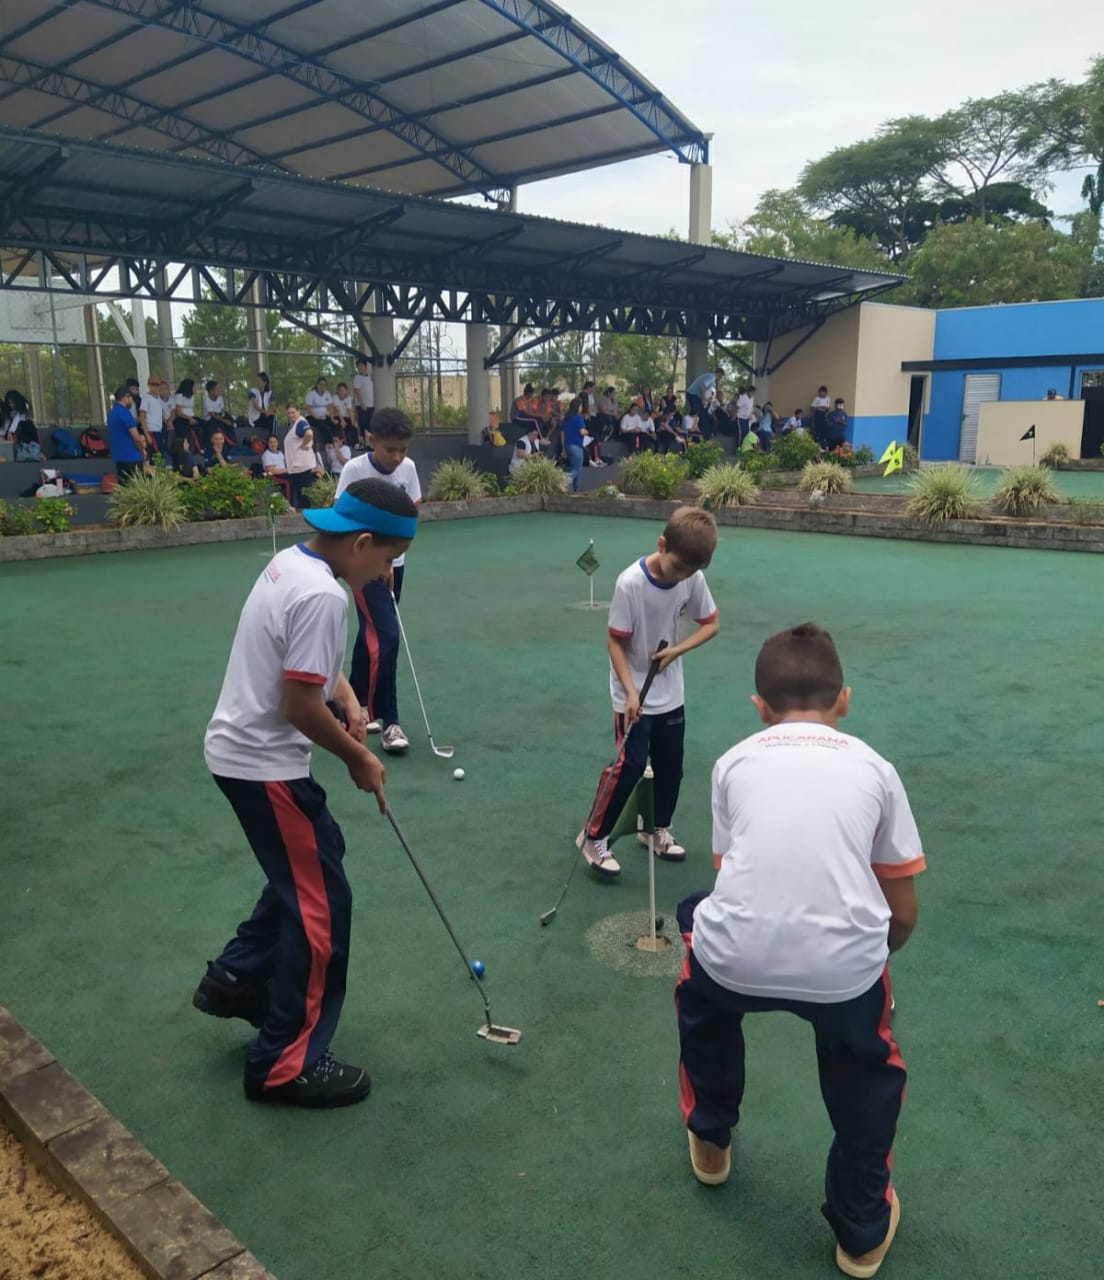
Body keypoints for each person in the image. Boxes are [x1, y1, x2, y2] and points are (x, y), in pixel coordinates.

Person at [675, 623, 923, 1278]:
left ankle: (710, 1136)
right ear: (845, 699)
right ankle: (861, 1231)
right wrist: (871, 957)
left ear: (760, 708)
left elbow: (733, 876)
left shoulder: (733, 761)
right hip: (844, 973)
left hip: (735, 958)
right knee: (867, 1073)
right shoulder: (876, 768)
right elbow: (903, 912)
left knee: (698, 956)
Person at [193, 477, 417, 1109]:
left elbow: (309, 668)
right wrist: (358, 757)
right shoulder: (327, 596)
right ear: (363, 543)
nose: (385, 575)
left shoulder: (294, 561)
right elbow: (298, 705)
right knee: (321, 908)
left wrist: (345, 696)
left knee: (312, 865)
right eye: (386, 562)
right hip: (263, 764)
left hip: (239, 755)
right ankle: (283, 1064)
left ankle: (236, 980)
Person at [577, 506, 720, 877]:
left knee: (671, 764)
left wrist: (676, 650)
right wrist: (629, 692)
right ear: (661, 544)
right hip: (632, 687)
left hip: (670, 689)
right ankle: (593, 836)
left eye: (691, 572)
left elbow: (711, 624)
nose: (683, 577)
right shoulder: (630, 584)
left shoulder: (691, 578)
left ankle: (654, 829)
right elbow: (615, 641)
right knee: (632, 764)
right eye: (678, 568)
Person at [334, 408, 421, 755]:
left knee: (369, 632)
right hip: (363, 568)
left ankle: (349, 703)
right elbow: (344, 518)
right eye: (389, 450)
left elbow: (411, 516)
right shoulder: (355, 470)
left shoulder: (408, 469)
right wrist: (377, 559)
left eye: (402, 449)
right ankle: (389, 721)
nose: (397, 457)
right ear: (371, 441)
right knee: (386, 636)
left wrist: (393, 558)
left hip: (396, 567)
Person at [283, 402, 324, 509]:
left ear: (298, 411)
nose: (291, 415)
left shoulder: (300, 423)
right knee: (300, 494)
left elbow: (309, 433)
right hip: (297, 467)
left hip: (302, 467)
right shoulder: (293, 425)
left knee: (303, 495)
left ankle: (304, 515)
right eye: (289, 413)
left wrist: (304, 444)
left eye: (293, 412)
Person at [107, 385, 149, 480]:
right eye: (131, 398)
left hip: (119, 457)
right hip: (132, 457)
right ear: (126, 397)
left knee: (125, 488)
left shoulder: (112, 413)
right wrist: (143, 450)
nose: (132, 401)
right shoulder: (125, 413)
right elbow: (136, 438)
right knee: (136, 489)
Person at [561, 396, 587, 492]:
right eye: (581, 406)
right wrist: (587, 432)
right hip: (577, 445)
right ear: (578, 407)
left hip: (568, 445)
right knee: (577, 469)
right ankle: (563, 482)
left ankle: (576, 488)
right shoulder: (578, 418)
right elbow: (582, 432)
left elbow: (562, 433)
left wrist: (563, 448)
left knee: (574, 467)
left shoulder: (566, 418)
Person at [353, 356, 374, 445]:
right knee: (362, 426)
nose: (360, 368)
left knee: (370, 427)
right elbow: (356, 391)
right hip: (362, 406)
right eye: (358, 366)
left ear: (365, 366)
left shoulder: (370, 377)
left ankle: (370, 444)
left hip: (371, 405)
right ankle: (361, 443)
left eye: (361, 365)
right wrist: (362, 403)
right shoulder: (357, 377)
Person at [173, 378, 199, 446]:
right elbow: (178, 412)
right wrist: (189, 418)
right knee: (186, 434)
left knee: (203, 427)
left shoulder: (192, 396)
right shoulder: (179, 396)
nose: (195, 388)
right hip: (182, 418)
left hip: (191, 417)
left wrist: (191, 418)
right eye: (193, 386)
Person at [248, 372, 275, 438]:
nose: (257, 383)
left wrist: (270, 411)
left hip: (265, 416)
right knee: (271, 417)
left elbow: (272, 405)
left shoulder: (270, 392)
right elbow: (256, 406)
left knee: (273, 417)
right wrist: (266, 412)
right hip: (256, 418)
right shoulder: (252, 391)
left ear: (265, 383)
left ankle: (272, 438)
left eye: (259, 381)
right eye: (256, 381)